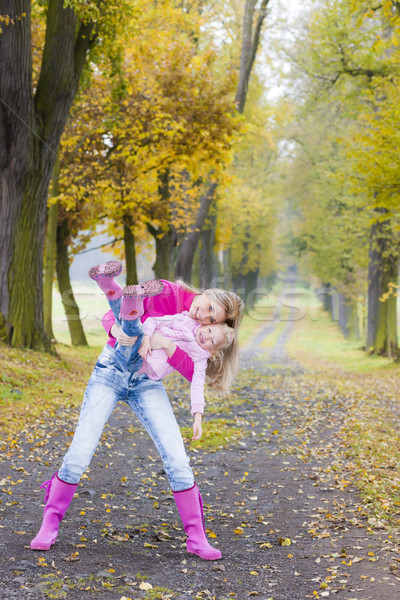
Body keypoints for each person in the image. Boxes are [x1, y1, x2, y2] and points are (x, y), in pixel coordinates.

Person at [30, 262, 244, 560]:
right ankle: (49, 524)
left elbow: (189, 371)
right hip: (112, 369)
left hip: (146, 381)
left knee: (178, 458)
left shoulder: (202, 337)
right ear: (206, 293)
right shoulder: (168, 292)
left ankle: (196, 537)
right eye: (208, 307)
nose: (203, 316)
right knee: (80, 452)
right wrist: (116, 328)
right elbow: (109, 316)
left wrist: (167, 345)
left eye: (211, 320)